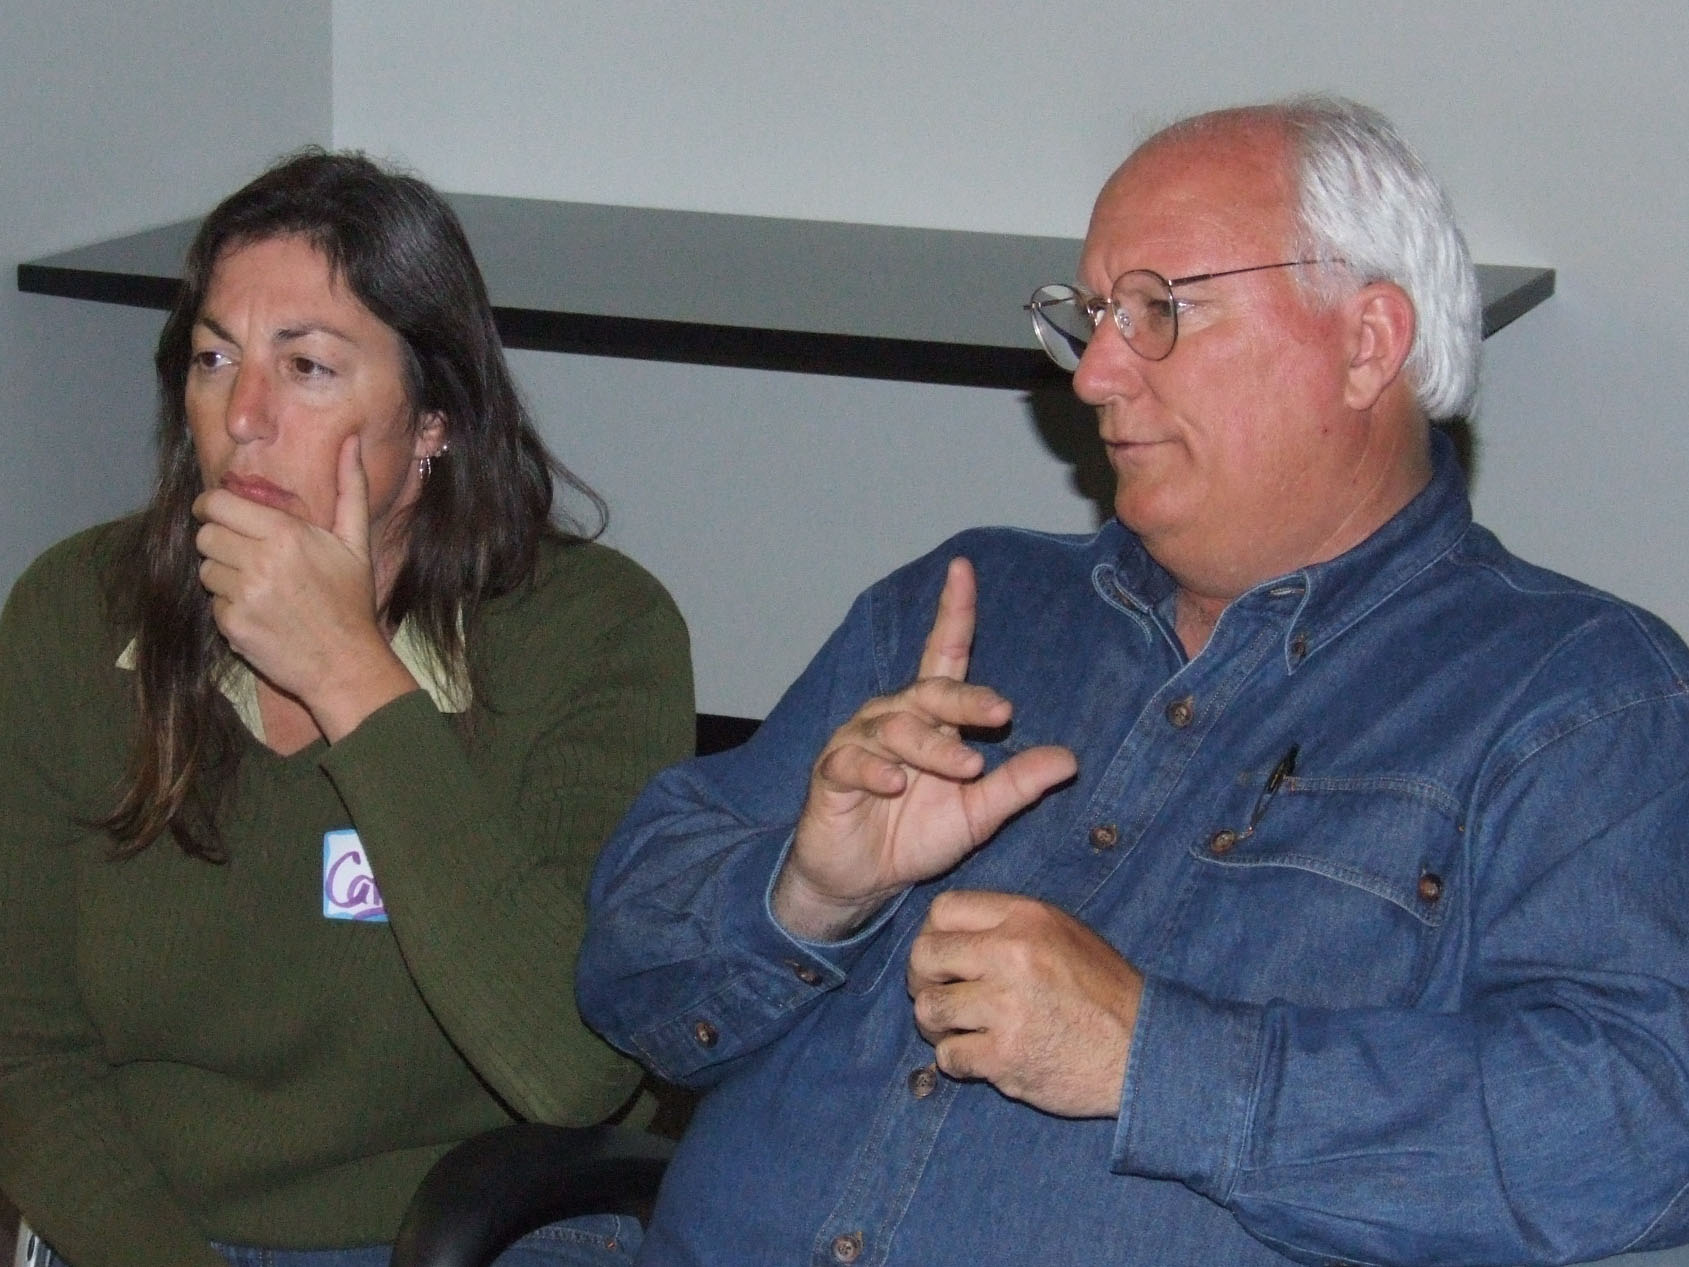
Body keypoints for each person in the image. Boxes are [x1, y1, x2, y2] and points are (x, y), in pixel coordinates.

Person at [577, 97, 1689, 1266]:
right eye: (1092, 315)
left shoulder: (1575, 699)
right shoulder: (966, 606)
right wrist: (807, 896)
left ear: (1367, 343)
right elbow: (622, 978)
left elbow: (1641, 1126)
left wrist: (1154, 1062)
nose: (1097, 373)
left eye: (1162, 309)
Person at [0, 151, 693, 1267]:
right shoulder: (74, 613)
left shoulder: (599, 634)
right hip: (148, 1231)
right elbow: (24, 1048)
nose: (245, 415)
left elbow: (575, 1072)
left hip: (475, 1230)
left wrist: (351, 677)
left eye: (308, 366)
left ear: (433, 418)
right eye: (215, 358)